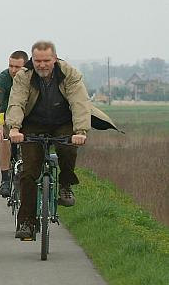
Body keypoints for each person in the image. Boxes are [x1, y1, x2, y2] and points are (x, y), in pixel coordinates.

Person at [7, 41, 118, 240]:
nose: (41, 65)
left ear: (55, 59)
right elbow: (16, 102)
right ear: (32, 60)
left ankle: (65, 185)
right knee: (29, 171)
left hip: (63, 121)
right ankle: (27, 222)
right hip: (34, 122)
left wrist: (81, 131)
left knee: (68, 149)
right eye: (37, 60)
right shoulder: (24, 76)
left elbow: (80, 103)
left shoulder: (70, 74)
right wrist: (14, 128)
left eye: (46, 60)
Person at [0, 50, 29, 197]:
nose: (13, 70)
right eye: (10, 66)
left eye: (17, 67)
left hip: (27, 116)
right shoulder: (3, 78)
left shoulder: (32, 77)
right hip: (6, 115)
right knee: (3, 137)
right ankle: (5, 179)